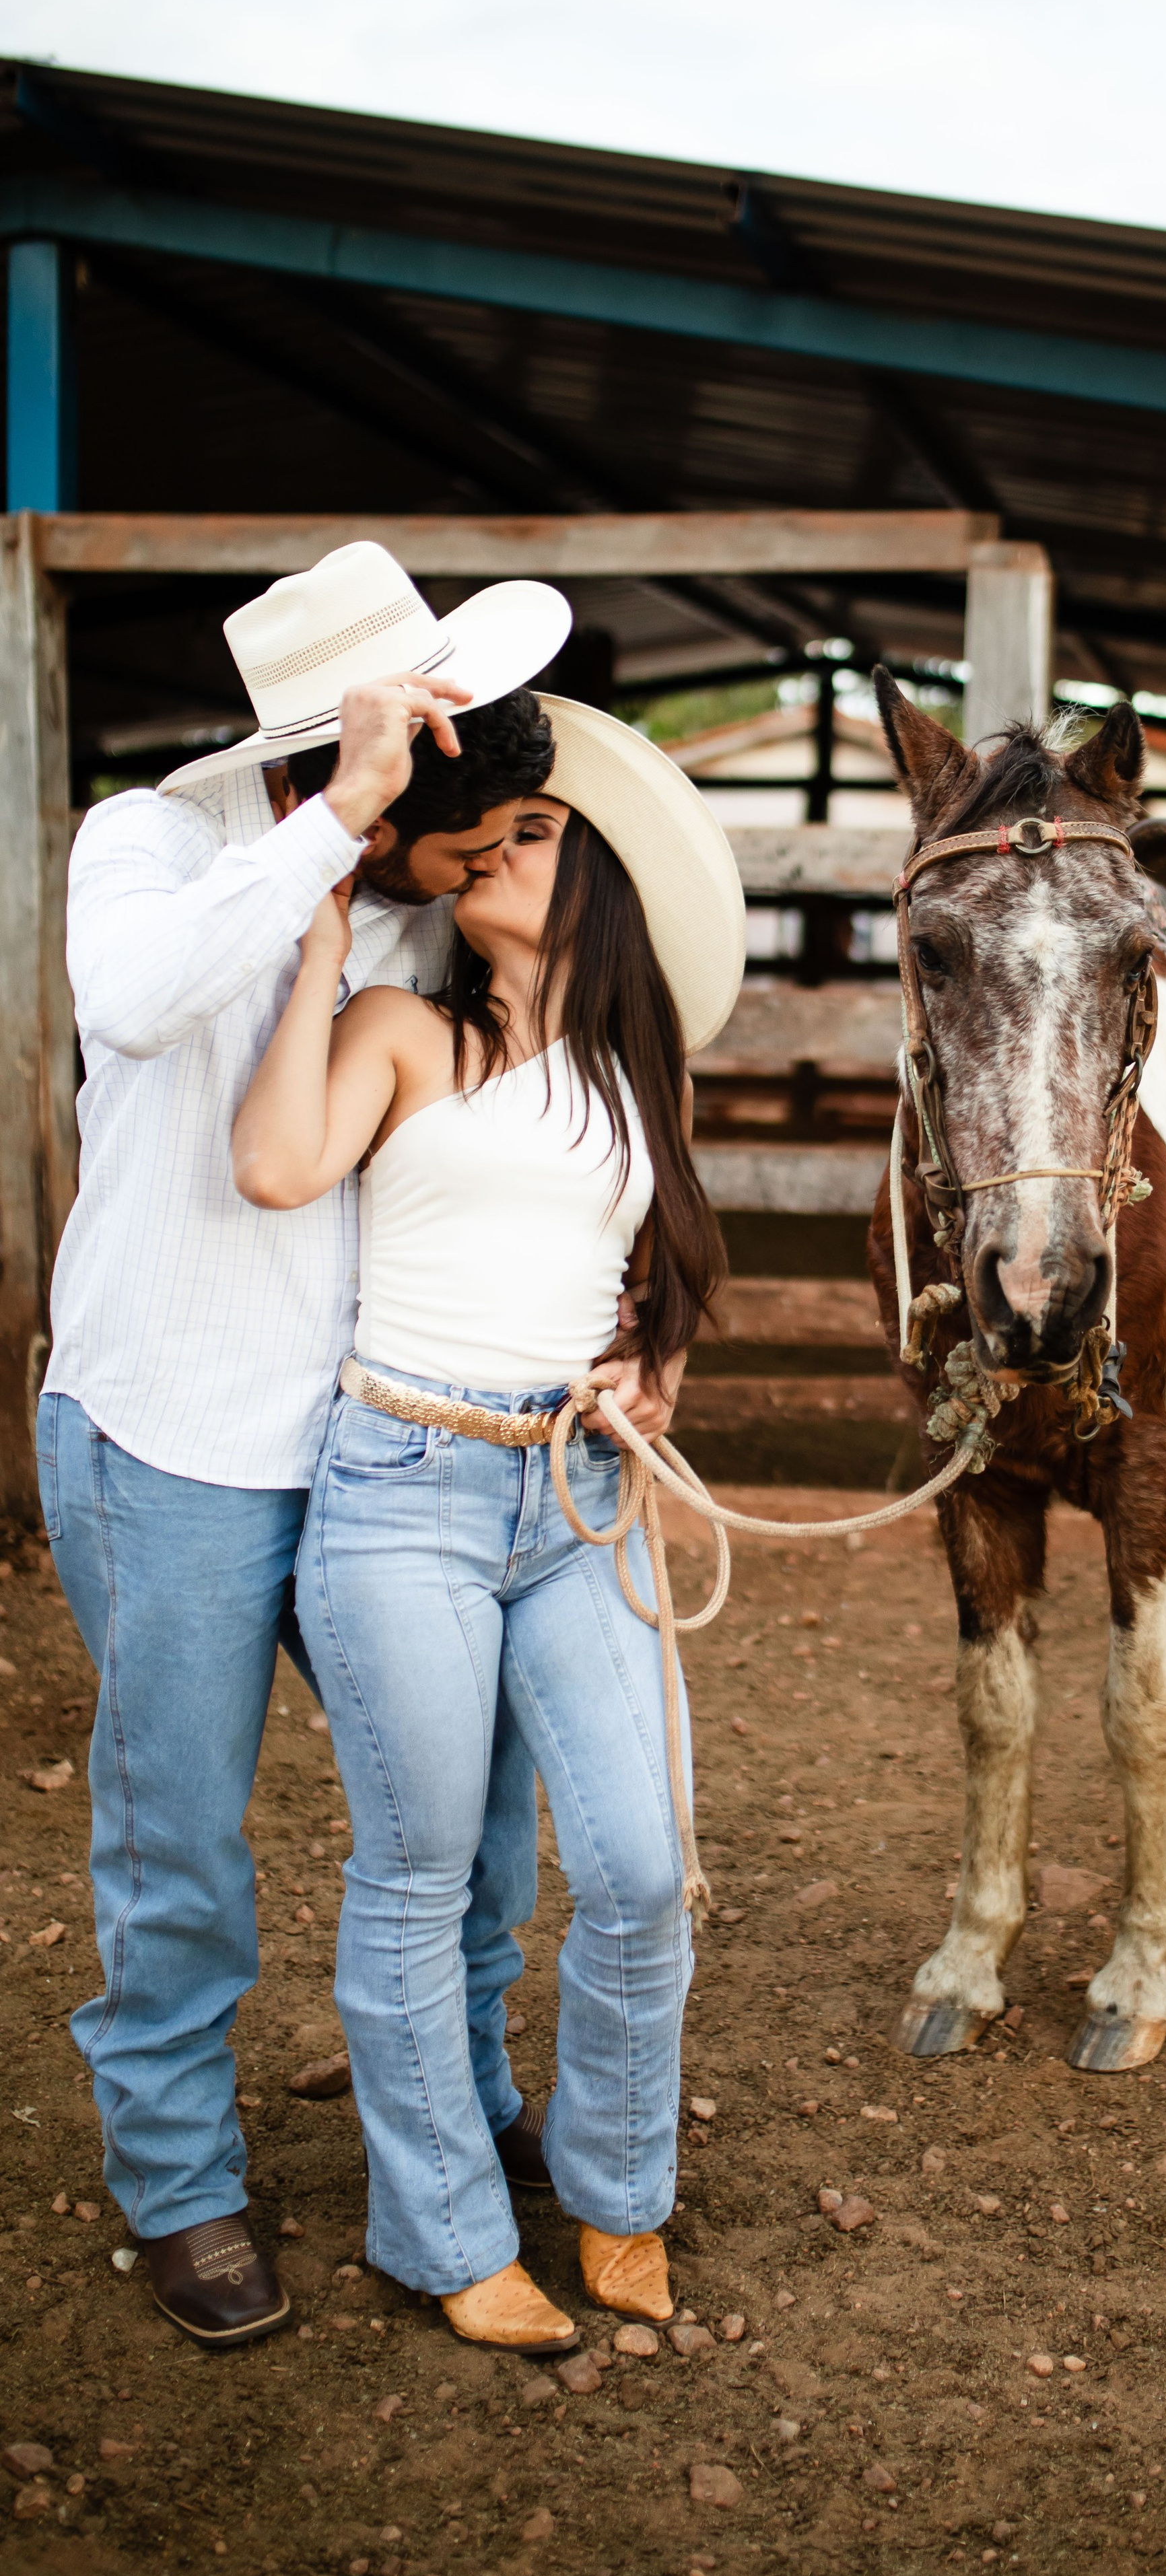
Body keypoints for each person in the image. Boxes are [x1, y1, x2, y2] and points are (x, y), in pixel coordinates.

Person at [37, 542, 572, 2345]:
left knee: (476, 1793)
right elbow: (135, 1004)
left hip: (378, 1437)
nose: (486, 863)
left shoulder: (434, 908)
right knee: (182, 1835)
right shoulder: (153, 845)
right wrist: (331, 828)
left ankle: (472, 2100)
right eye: (457, 824)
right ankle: (181, 2179)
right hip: (167, 1430)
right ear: (340, 762)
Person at [232, 697, 745, 2351]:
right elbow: (270, 1166)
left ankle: (615, 2194)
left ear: (589, 879)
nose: (494, 850)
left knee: (642, 1872)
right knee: (419, 1875)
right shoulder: (400, 1026)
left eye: (531, 834)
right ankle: (444, 2232)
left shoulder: (631, 1069)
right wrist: (316, 948)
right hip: (404, 1491)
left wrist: (645, 1370)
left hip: (577, 1500)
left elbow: (656, 1275)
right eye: (490, 835)